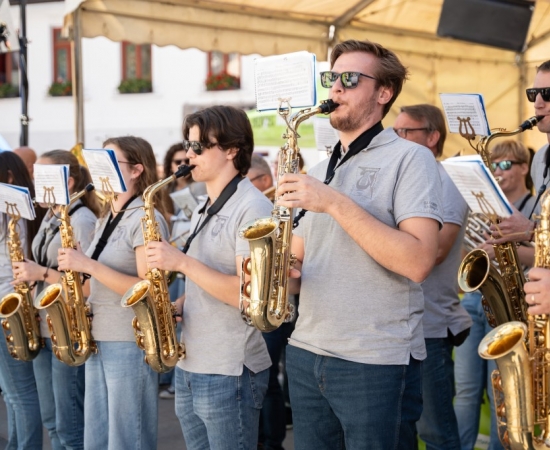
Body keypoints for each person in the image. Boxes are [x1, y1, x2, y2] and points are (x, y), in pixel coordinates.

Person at [276, 39, 443, 450]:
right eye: (331, 78)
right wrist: (273, 273)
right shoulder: (319, 169)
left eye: (350, 79)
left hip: (374, 360)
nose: (335, 88)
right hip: (305, 350)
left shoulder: (412, 159)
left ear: (384, 93)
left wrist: (332, 202)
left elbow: (419, 261)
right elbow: (300, 266)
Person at [144, 105, 272, 449]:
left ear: (232, 149)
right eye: (189, 145)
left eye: (198, 147)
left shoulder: (253, 208)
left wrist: (181, 263)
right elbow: (209, 277)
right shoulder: (205, 205)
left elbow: (250, 295)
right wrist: (181, 303)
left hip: (229, 369)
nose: (189, 154)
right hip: (192, 362)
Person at [57, 136, 168, 450]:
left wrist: (88, 265)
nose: (99, 169)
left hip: (128, 338)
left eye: (110, 161)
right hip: (99, 335)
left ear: (136, 170)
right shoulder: (106, 216)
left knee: (126, 437)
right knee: (97, 436)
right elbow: (95, 280)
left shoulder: (146, 217)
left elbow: (148, 289)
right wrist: (76, 270)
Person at [393, 104, 472, 450]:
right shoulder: (404, 175)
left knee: (436, 432)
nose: (397, 138)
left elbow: (436, 251)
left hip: (430, 326)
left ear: (432, 137)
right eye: (394, 131)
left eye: (405, 132)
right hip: (398, 325)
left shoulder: (447, 179)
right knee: (400, 429)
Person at [15, 150, 99, 450]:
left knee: (70, 426)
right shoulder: (52, 214)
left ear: (68, 181)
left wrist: (40, 273)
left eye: (42, 177)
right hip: (45, 325)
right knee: (52, 420)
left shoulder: (82, 220)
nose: (35, 185)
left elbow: (87, 287)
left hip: (68, 327)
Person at [454, 139, 535, 450]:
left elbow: (540, 254)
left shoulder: (534, 206)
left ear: (524, 168)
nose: (498, 172)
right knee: (465, 390)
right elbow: (466, 254)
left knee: (500, 390)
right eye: (494, 167)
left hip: (512, 301)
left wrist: (502, 250)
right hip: (475, 298)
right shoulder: (483, 210)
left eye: (505, 165)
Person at [489, 61, 550, 316]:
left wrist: (529, 230)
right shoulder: (541, 158)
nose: (538, 103)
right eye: (533, 94)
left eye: (547, 94)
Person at [247, 153, 294, 450]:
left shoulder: (274, 206)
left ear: (265, 180)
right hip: (264, 300)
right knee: (264, 375)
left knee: (266, 374)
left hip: (278, 304)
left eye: (249, 181)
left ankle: (272, 440)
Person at [0, 151, 43, 449]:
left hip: (8, 308)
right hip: (14, 306)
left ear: (9, 177)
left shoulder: (10, 212)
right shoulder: (28, 210)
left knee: (19, 394)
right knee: (14, 393)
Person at [159, 142, 205, 399]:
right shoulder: (165, 191)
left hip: (187, 257)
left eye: (185, 161)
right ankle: (167, 372)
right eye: (177, 162)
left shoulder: (199, 187)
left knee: (183, 315)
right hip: (172, 255)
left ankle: (177, 379)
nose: (182, 165)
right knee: (170, 313)